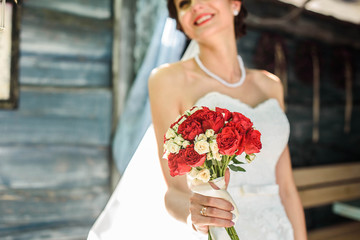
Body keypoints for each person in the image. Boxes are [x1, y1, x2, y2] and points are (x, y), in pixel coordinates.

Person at [88, 0, 307, 239]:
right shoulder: (167, 80)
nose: (194, 6)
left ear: (234, 3)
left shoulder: (270, 84)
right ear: (182, 23)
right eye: (184, 4)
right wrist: (195, 215)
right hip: (219, 229)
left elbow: (286, 188)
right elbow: (174, 192)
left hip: (276, 227)